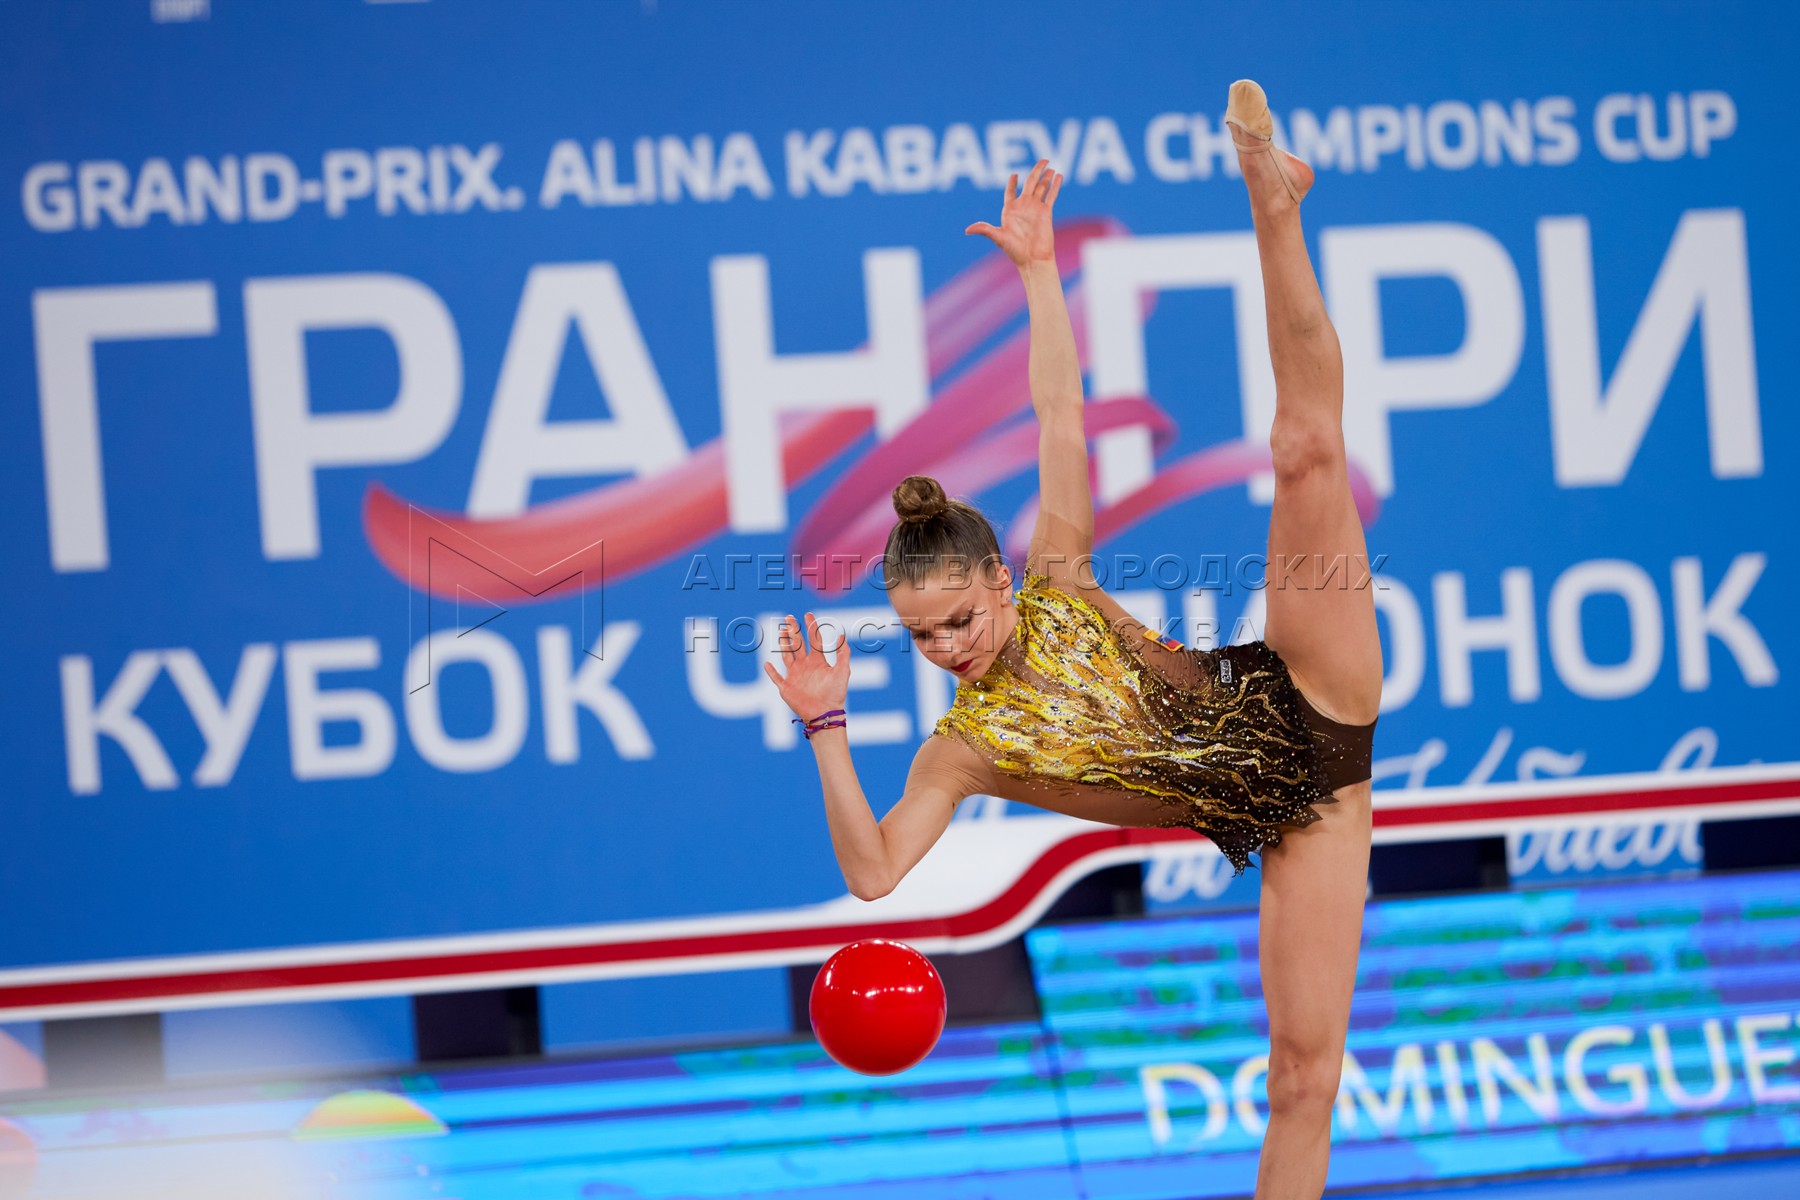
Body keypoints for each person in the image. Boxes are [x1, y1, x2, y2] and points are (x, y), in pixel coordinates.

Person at [764, 79, 1379, 1198]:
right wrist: (825, 726)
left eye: (960, 616)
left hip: (1307, 684)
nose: (949, 646)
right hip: (1306, 813)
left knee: (1304, 449)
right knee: (1303, 1082)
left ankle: (1273, 201)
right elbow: (873, 873)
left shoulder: (1057, 574)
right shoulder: (963, 752)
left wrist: (1039, 274)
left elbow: (1059, 411)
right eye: (923, 637)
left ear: (1000, 580)